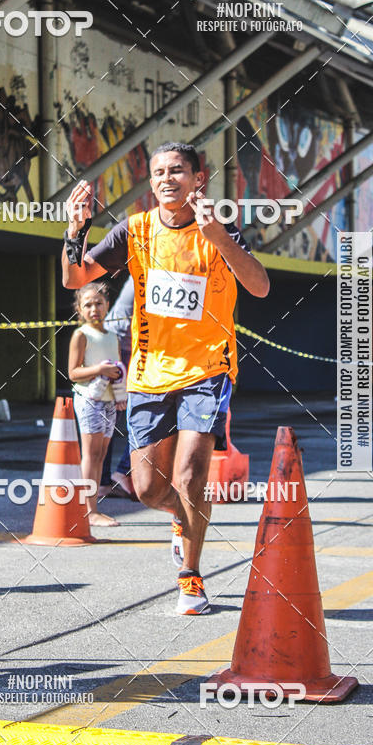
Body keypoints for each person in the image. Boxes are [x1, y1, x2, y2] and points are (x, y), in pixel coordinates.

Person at [62, 142, 269, 614]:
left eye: (178, 170)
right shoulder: (134, 231)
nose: (166, 179)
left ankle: (191, 577)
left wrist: (218, 235)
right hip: (150, 375)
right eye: (158, 172)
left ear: (200, 177)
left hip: (208, 369)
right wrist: (75, 231)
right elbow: (75, 278)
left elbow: (259, 286)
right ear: (150, 182)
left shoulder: (222, 228)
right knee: (150, 489)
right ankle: (182, 517)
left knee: (191, 474)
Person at [67, 281, 127, 527]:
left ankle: (92, 507)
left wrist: (120, 392)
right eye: (88, 305)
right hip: (89, 401)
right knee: (91, 455)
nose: (94, 309)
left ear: (107, 305)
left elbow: (118, 369)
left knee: (101, 454)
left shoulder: (113, 336)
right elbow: (73, 373)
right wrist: (99, 370)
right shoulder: (81, 335)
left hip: (109, 402)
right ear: (79, 309)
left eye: (99, 303)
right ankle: (89, 511)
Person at [100, 275, 137, 500]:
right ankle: (117, 475)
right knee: (142, 411)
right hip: (122, 347)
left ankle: (113, 476)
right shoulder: (152, 267)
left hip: (127, 346)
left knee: (131, 414)